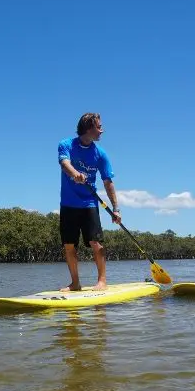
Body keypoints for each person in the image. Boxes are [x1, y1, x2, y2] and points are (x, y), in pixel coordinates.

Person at [57, 112, 121, 292]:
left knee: (96, 243)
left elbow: (108, 182)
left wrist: (116, 209)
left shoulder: (101, 154)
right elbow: (64, 163)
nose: (102, 130)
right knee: (69, 245)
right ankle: (75, 283)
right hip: (68, 204)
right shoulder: (66, 144)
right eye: (99, 127)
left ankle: (102, 281)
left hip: (89, 204)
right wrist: (74, 174)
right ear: (88, 128)